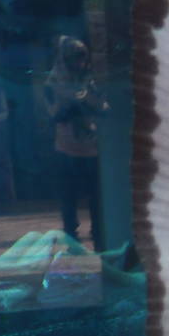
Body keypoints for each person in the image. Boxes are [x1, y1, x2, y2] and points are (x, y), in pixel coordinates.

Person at [41, 36, 107, 248]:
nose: (79, 63)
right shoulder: (52, 84)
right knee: (68, 199)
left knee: (96, 200)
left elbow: (104, 108)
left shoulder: (91, 81)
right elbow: (54, 115)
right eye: (74, 58)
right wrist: (71, 103)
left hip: (91, 148)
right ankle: (72, 239)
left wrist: (88, 102)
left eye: (82, 58)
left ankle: (100, 237)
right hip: (66, 148)